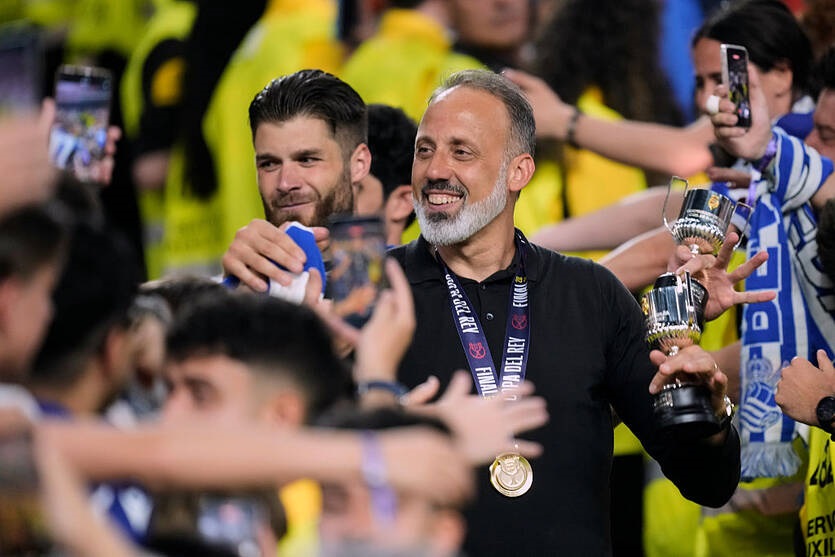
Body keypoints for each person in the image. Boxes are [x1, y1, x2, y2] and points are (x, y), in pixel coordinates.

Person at [389, 68, 740, 556]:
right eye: (424, 150)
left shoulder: (592, 294)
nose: (434, 170)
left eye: (461, 151)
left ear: (519, 172)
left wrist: (711, 415)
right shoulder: (376, 294)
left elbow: (708, 483)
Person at [221, 69, 371, 293]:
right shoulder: (238, 289)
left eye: (306, 160)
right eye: (269, 164)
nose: (285, 183)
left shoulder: (408, 281)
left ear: (358, 164)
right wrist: (232, 298)